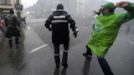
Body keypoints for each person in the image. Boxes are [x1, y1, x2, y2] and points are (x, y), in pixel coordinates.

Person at [83, 1, 134, 75]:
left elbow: (132, 13)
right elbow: (98, 13)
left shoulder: (117, 18)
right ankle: (89, 54)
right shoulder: (102, 15)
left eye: (103, 8)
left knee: (100, 58)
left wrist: (128, 5)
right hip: (95, 38)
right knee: (87, 45)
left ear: (107, 10)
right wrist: (97, 11)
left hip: (104, 43)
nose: (101, 8)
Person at [45, 3, 78, 68]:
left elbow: (46, 23)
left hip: (55, 36)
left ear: (56, 8)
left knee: (56, 50)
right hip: (65, 36)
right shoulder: (66, 15)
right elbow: (72, 23)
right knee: (65, 49)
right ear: (63, 8)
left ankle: (57, 65)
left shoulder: (52, 15)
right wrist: (74, 31)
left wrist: (50, 28)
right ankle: (64, 63)